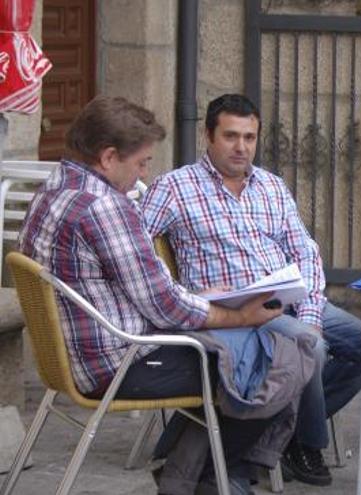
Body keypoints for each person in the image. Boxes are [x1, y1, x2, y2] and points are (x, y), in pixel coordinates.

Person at [18, 95, 289, 495]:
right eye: (142, 162)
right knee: (276, 357)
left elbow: (141, 289)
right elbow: (165, 306)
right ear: (109, 157)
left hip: (72, 359)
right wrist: (239, 316)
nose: (145, 173)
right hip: (121, 363)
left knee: (252, 351)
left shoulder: (54, 189)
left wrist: (203, 298)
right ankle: (201, 478)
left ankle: (200, 477)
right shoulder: (104, 206)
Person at [141, 93, 361, 487]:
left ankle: (284, 421)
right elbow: (137, 250)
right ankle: (305, 445)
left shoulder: (272, 187)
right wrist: (185, 292)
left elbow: (305, 252)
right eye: (230, 136)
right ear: (208, 136)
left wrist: (310, 314)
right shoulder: (175, 187)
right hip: (239, 313)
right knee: (311, 348)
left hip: (290, 297)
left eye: (249, 137)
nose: (241, 147)